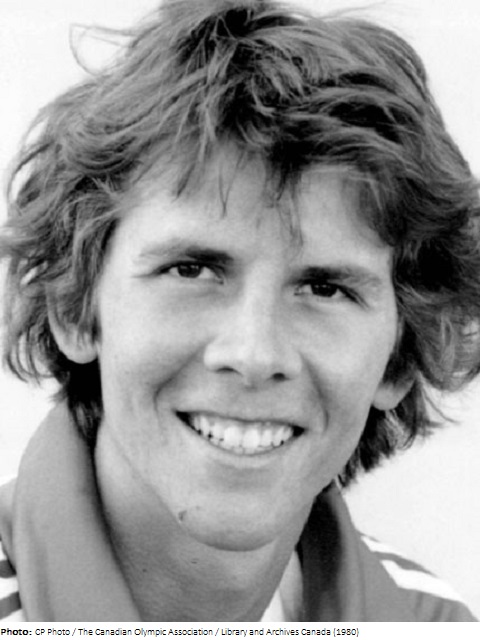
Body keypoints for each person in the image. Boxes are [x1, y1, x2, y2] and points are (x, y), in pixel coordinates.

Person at [0, 0, 479, 622]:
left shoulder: (435, 623)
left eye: (325, 288)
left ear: (399, 358)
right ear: (76, 307)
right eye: (191, 269)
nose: (254, 355)